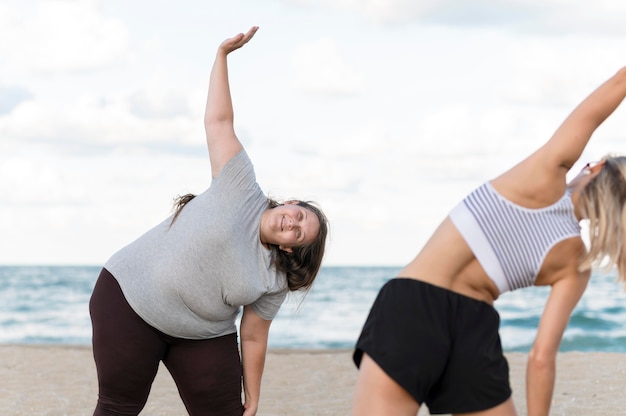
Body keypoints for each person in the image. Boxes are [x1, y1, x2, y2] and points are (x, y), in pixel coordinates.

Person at [352, 67, 626, 415]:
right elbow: (541, 358)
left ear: (596, 166)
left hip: (413, 304)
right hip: (475, 326)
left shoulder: (546, 171)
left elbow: (617, 85)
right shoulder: (575, 263)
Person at [89, 26, 328, 416]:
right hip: (130, 301)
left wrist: (253, 395)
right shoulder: (241, 186)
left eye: (300, 234)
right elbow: (219, 122)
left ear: (290, 247)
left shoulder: (276, 277)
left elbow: (252, 336)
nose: (293, 224)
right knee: (118, 408)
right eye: (298, 215)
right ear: (290, 202)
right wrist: (222, 56)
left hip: (200, 335)